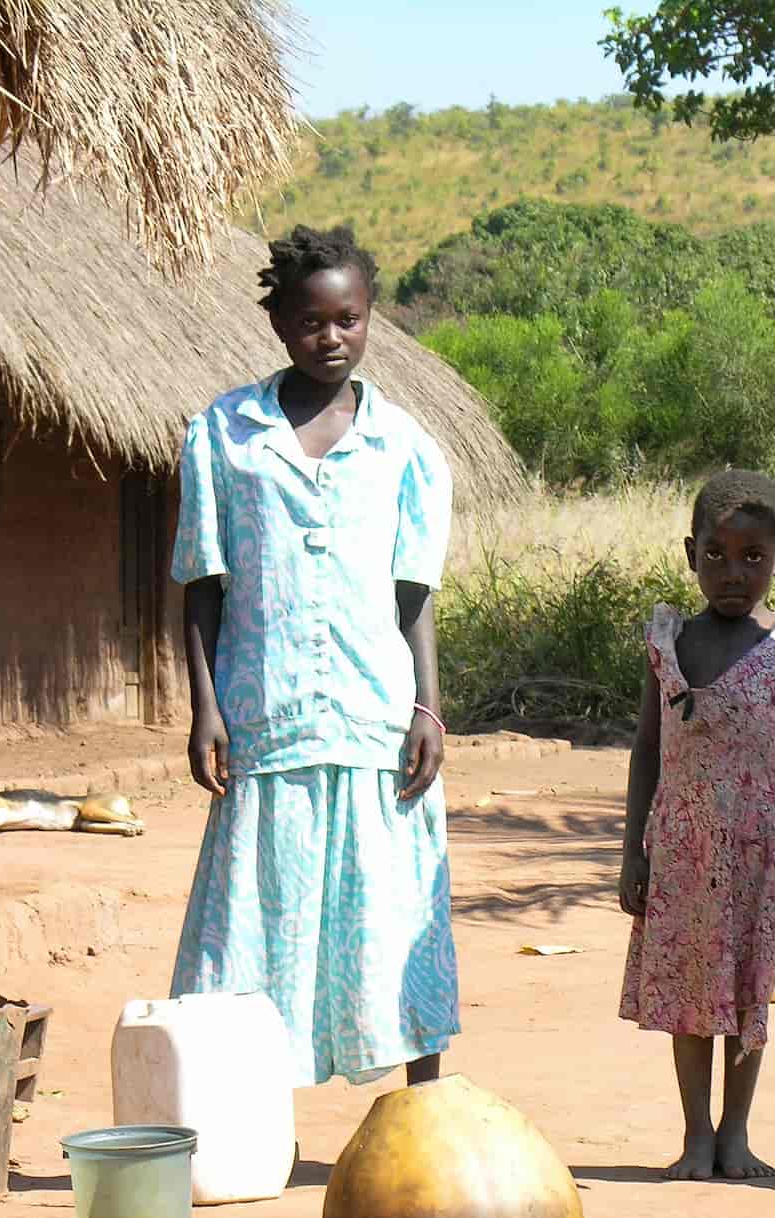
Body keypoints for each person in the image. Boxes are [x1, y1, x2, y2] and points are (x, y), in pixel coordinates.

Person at [169, 224, 458, 1088]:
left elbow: (414, 595)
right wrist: (205, 706)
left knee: (395, 910)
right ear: (278, 324)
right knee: (257, 923)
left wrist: (427, 707)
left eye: (348, 320)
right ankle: (240, 1118)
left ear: (370, 321)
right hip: (267, 717)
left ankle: (426, 1123)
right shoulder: (224, 434)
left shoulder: (405, 446)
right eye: (309, 321)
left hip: (374, 717)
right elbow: (202, 584)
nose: (329, 338)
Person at [619, 469, 775, 1180]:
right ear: (691, 554)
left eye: (754, 558)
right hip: (682, 851)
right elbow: (648, 750)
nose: (733, 573)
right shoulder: (667, 643)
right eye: (716, 555)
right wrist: (634, 851)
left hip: (762, 853)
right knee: (691, 993)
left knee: (751, 994)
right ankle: (694, 1135)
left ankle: (736, 1133)